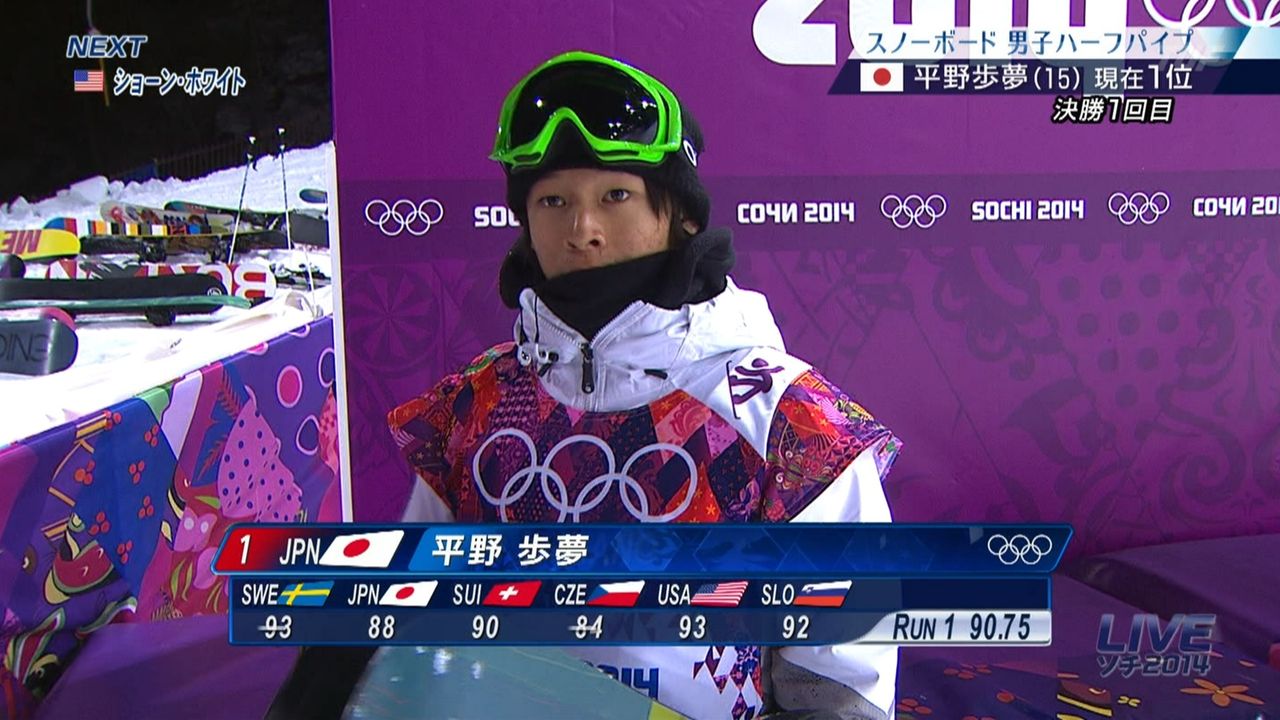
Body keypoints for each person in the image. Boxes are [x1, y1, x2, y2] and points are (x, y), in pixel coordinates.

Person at [388, 50, 903, 720]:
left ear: (681, 215)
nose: (583, 230)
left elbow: (840, 690)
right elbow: (414, 624)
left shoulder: (789, 424)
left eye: (616, 196)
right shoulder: (473, 406)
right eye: (552, 201)